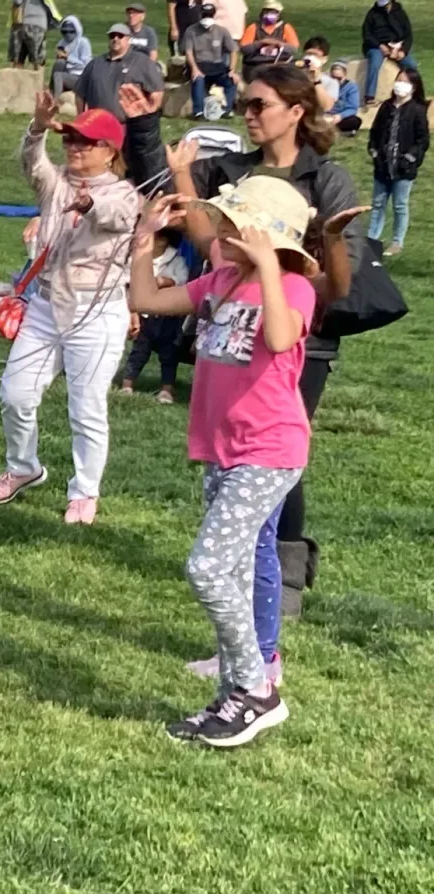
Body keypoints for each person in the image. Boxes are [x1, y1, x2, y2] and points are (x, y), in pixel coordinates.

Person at [167, 63, 366, 620]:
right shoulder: (236, 170)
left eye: (260, 105)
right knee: (241, 461)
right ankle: (256, 589)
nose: (248, 114)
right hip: (237, 329)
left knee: (276, 461)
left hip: (303, 335)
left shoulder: (325, 180)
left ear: (296, 112)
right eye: (245, 105)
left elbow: (338, 288)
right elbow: (210, 240)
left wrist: (328, 239)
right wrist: (182, 174)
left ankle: (286, 579)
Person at [133, 179, 318, 747]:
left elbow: (283, 338)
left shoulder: (290, 288)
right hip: (223, 450)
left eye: (234, 224)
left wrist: (267, 266)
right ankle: (235, 696)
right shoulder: (219, 282)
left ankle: (258, 691)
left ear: (262, 235)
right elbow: (145, 301)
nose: (221, 231)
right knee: (232, 570)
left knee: (207, 568)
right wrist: (144, 242)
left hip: (269, 451)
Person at [0, 97, 139, 526]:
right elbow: (31, 163)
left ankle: (84, 491)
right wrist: (36, 128)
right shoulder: (56, 183)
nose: (75, 147)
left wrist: (90, 206)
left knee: (86, 405)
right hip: (46, 304)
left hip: (97, 311)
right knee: (14, 394)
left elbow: (118, 216)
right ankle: (24, 467)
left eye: (87, 142)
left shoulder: (124, 192)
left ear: (110, 150)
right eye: (70, 138)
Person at [71, 22, 166, 190]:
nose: (115, 39)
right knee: (99, 167)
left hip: (127, 127)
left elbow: (157, 92)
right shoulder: (95, 64)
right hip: (98, 130)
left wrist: (148, 117)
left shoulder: (141, 62)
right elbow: (80, 94)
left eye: (120, 36)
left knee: (128, 166)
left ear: (128, 39)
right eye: (112, 36)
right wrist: (81, 120)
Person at [117, 228, 188, 403]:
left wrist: (163, 282)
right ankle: (127, 385)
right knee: (139, 350)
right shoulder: (140, 258)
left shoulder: (176, 260)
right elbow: (127, 280)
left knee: (169, 353)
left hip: (167, 315)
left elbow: (183, 280)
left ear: (164, 241)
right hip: (144, 314)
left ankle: (167, 389)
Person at [367, 68, 428, 257]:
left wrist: (410, 158)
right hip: (383, 165)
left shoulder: (417, 110)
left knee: (400, 205)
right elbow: (375, 132)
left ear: (413, 87)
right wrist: (374, 151)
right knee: (378, 204)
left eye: (405, 81)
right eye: (398, 80)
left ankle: (397, 242)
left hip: (403, 169)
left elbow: (422, 140)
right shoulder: (386, 107)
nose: (400, 85)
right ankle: (372, 239)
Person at [183, 4, 241, 119]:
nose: (206, 18)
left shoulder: (222, 31)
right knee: (198, 80)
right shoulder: (191, 31)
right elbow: (188, 52)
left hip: (216, 65)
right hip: (199, 64)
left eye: (209, 15)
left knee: (231, 81)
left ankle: (226, 110)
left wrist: (232, 69)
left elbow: (233, 50)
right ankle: (198, 112)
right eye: (205, 15)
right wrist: (194, 69)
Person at [362, 0, 416, 105]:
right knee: (375, 62)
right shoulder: (372, 13)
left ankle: (414, 94)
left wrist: (403, 50)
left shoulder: (400, 14)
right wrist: (380, 45)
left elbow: (408, 35)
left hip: (397, 47)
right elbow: (367, 34)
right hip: (376, 46)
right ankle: (369, 96)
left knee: (411, 65)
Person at [6, 0, 55, 69]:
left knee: (37, 60)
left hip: (36, 24)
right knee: (17, 59)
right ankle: (17, 85)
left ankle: (37, 84)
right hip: (19, 23)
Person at [239, 0, 299, 79]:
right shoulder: (254, 27)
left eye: (273, 12)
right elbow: (244, 49)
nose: (269, 14)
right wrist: (261, 43)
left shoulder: (286, 27)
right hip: (255, 65)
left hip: (279, 65)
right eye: (267, 11)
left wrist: (278, 44)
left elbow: (294, 49)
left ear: (278, 15)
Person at [50, 15, 92, 97]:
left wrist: (68, 58)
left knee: (58, 75)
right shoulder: (61, 43)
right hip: (68, 74)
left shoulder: (83, 42)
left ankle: (56, 100)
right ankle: (51, 89)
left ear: (76, 31)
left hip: (80, 77)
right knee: (59, 63)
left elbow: (86, 65)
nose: (68, 34)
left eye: (71, 31)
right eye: (64, 32)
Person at [328, 60, 362, 134]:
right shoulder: (324, 85)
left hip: (340, 116)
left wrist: (341, 116)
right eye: (333, 78)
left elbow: (353, 108)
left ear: (345, 76)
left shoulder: (352, 87)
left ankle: (331, 130)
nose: (335, 81)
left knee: (355, 121)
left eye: (339, 78)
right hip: (325, 115)